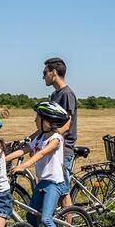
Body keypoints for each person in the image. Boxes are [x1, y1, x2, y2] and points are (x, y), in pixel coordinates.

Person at [7, 101, 73, 227]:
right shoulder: (39, 138)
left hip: (55, 183)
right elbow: (23, 150)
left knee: (45, 218)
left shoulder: (56, 139)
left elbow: (41, 153)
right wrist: (0, 160)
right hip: (43, 182)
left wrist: (23, 166)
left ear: (47, 122)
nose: (34, 120)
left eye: (38, 117)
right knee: (30, 215)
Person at [42, 57, 78, 208]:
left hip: (63, 149)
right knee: (55, 191)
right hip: (55, 148)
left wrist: (52, 140)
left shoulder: (66, 94)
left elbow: (67, 124)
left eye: (45, 73)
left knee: (63, 193)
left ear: (54, 72)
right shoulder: (55, 95)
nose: (43, 76)